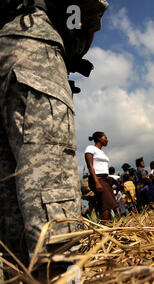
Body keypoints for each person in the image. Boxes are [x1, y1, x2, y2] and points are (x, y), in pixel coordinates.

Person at [0, 0, 109, 265]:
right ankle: (57, 280)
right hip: (32, 46)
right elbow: (91, 6)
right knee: (50, 182)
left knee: (7, 202)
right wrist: (75, 48)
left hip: (8, 44)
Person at [84, 132, 118, 224]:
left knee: (113, 204)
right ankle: (104, 227)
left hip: (105, 179)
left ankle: (110, 225)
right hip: (98, 179)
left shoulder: (101, 152)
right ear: (99, 139)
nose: (107, 140)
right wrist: (97, 182)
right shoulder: (90, 148)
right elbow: (90, 166)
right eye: (105, 138)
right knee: (105, 205)